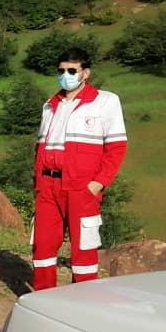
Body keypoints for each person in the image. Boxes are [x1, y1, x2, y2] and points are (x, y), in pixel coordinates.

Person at [32, 48, 127, 290]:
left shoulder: (105, 101)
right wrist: (39, 183)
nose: (66, 75)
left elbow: (116, 148)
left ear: (85, 73)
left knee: (83, 249)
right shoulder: (50, 105)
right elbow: (40, 147)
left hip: (81, 188)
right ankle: (43, 298)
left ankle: (83, 301)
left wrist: (97, 184)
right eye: (61, 71)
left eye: (72, 70)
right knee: (42, 245)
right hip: (48, 187)